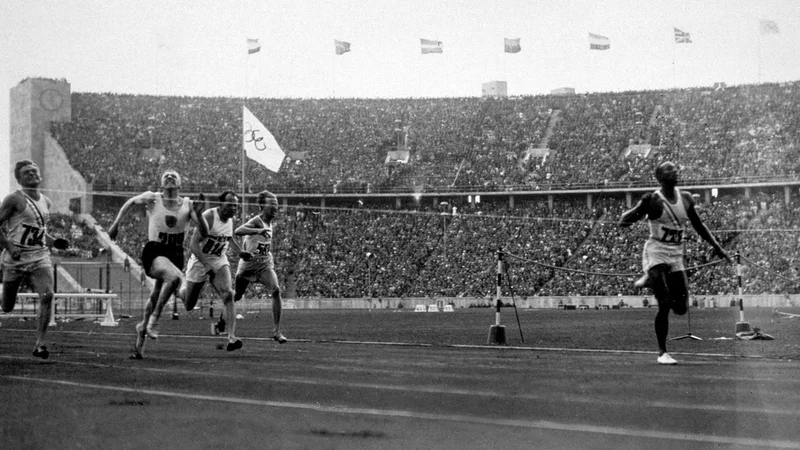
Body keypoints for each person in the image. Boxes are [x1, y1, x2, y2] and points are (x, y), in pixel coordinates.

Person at [620, 161, 732, 365]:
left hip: (675, 255)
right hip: (656, 252)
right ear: (660, 177)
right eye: (669, 170)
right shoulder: (654, 200)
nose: (675, 171)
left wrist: (718, 248)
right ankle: (662, 352)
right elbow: (623, 222)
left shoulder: (686, 198)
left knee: (680, 308)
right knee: (664, 302)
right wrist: (640, 208)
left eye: (676, 169)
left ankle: (650, 279)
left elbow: (699, 225)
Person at [108, 169, 207, 359]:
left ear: (180, 184)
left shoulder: (187, 204)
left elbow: (204, 232)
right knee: (176, 277)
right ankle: (154, 320)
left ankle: (141, 336)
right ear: (162, 184)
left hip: (175, 254)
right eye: (166, 176)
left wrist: (200, 214)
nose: (169, 177)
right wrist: (116, 224)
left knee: (156, 294)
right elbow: (129, 203)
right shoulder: (153, 198)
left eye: (174, 176)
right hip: (155, 250)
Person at [0, 160, 68, 359]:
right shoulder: (14, 199)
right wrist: (10, 246)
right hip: (15, 259)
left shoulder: (45, 201)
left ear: (40, 176)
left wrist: (54, 242)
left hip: (39, 256)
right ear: (19, 179)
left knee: (47, 295)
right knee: (7, 307)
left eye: (34, 171)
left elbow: (38, 232)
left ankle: (40, 344)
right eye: (26, 173)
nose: (31, 174)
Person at [177, 190, 243, 351]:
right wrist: (206, 265)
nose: (233, 208)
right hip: (200, 261)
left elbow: (228, 238)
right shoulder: (209, 216)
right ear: (221, 204)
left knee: (229, 294)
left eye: (235, 205)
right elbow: (193, 245)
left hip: (219, 260)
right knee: (189, 305)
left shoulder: (231, 219)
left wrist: (240, 252)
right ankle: (181, 286)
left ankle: (231, 337)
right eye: (230, 205)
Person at [232, 190, 287, 344]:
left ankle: (277, 331)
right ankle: (223, 320)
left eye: (277, 204)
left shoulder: (271, 222)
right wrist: (258, 230)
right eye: (272, 204)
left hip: (264, 264)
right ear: (262, 206)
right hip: (248, 265)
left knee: (276, 290)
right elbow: (238, 231)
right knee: (237, 295)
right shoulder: (257, 221)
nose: (275, 207)